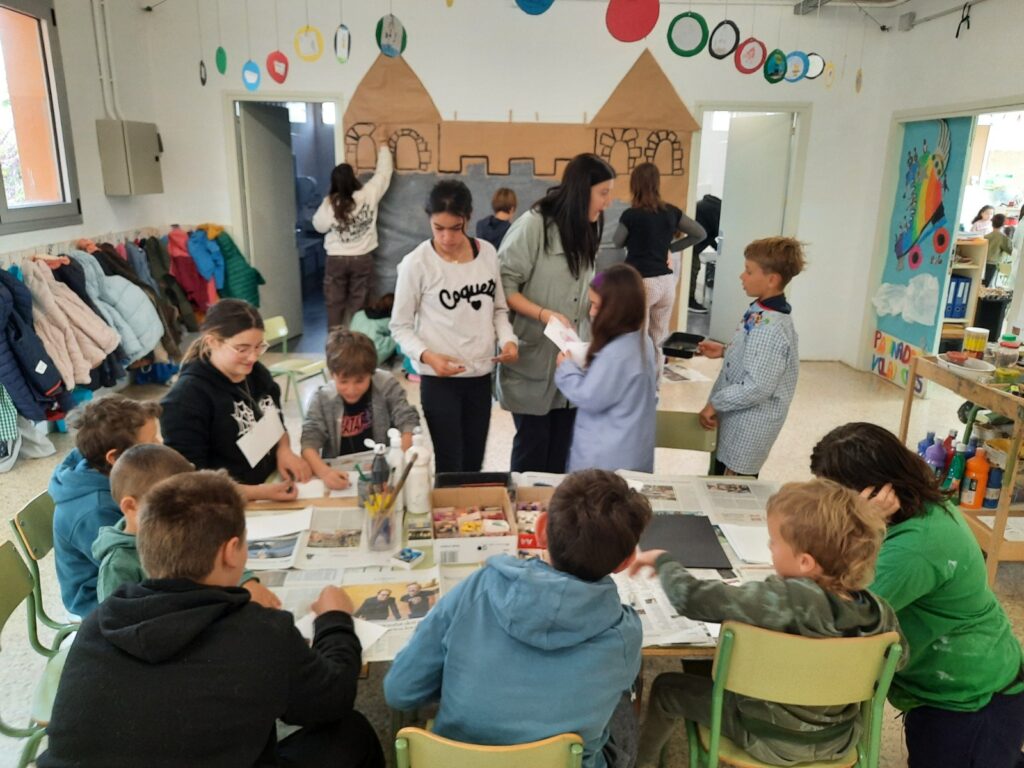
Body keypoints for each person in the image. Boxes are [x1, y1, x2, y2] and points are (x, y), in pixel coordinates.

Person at [38, 471, 385, 768]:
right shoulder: (260, 632)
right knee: (351, 732)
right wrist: (335, 619)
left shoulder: (98, 623)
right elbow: (332, 698)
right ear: (231, 552)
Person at [385, 469, 650, 768]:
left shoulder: (478, 589)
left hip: (456, 761)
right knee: (625, 711)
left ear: (540, 528)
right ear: (626, 562)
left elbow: (400, 691)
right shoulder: (625, 635)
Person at [632, 479, 901, 768]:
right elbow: (898, 662)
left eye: (774, 541)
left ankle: (641, 763)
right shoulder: (880, 612)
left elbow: (691, 599)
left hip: (764, 735)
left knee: (666, 688)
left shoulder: (784, 600)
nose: (770, 547)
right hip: (837, 740)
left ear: (805, 562)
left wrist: (664, 561)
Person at [810, 422, 1024, 768]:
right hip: (958, 687)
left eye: (836, 497)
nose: (827, 506)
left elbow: (837, 616)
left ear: (877, 492)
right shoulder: (919, 506)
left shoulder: (915, 548)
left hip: (969, 701)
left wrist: (859, 526)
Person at [497, 153, 615, 473]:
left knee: (563, 454)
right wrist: (544, 314)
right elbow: (504, 287)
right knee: (533, 451)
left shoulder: (588, 226)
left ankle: (556, 507)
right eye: (603, 193)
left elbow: (581, 284)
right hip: (535, 357)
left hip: (572, 357)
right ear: (581, 190)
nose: (608, 202)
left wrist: (598, 301)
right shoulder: (534, 226)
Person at [391, 180, 518, 474]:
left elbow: (499, 309)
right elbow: (400, 326)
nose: (447, 237)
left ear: (468, 219)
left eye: (455, 228)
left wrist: (508, 340)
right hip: (439, 380)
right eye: (438, 228)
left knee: (474, 462)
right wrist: (428, 356)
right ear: (429, 220)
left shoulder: (487, 253)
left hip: (479, 376)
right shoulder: (416, 263)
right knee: (450, 463)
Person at [93, 443, 280, 609]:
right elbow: (114, 621)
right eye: (167, 505)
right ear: (131, 507)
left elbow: (218, 551)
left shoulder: (181, 526)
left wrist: (246, 580)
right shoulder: (117, 566)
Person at [161, 299, 311, 502]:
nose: (253, 357)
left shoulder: (256, 373)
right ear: (212, 342)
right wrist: (259, 492)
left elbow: (277, 420)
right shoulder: (185, 399)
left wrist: (284, 450)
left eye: (259, 347)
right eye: (242, 349)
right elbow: (190, 481)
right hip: (226, 502)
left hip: (270, 482)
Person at [697, 237, 805, 477]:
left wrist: (716, 403)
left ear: (772, 279)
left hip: (749, 426)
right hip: (736, 418)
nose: (741, 276)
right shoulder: (762, 309)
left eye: (748, 271)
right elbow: (757, 355)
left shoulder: (771, 327)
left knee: (732, 485)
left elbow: (757, 387)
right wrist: (725, 350)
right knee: (719, 472)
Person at [49, 394, 162, 617]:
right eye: (150, 443)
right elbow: (129, 565)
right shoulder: (96, 510)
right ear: (114, 458)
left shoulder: (106, 469)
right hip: (101, 599)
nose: (160, 445)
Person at [554, 264, 657, 472]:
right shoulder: (642, 341)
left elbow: (588, 397)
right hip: (632, 450)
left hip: (606, 459)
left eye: (596, 305)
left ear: (615, 310)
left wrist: (566, 368)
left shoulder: (615, 354)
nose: (591, 312)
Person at [301, 329, 420, 490]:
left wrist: (398, 462)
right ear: (332, 374)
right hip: (341, 472)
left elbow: (407, 420)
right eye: (343, 381)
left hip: (382, 468)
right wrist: (325, 472)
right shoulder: (323, 397)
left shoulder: (385, 384)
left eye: (359, 381)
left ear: (371, 373)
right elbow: (309, 440)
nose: (351, 390)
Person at [614, 163, 706, 349]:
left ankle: (640, 370)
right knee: (659, 338)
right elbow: (700, 234)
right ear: (657, 184)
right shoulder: (672, 212)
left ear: (634, 185)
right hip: (666, 283)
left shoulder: (630, 215)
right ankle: (656, 370)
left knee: (637, 339)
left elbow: (617, 242)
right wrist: (669, 247)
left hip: (642, 282)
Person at [313, 146, 394, 329]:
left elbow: (319, 227)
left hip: (336, 259)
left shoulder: (330, 203)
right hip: (362, 258)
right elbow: (384, 173)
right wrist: (383, 147)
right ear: (353, 178)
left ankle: (335, 341)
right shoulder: (368, 194)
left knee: (334, 305)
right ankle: (357, 340)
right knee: (359, 304)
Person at [691, 194, 721, 313]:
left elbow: (710, 234)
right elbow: (718, 230)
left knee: (692, 268)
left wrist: (718, 248)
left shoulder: (707, 206)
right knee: (693, 268)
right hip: (691, 244)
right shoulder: (717, 210)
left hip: (689, 241)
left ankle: (688, 298)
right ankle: (689, 300)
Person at [349, 293, 398, 365]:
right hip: (372, 358)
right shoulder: (390, 321)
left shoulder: (359, 314)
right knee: (399, 336)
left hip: (351, 352)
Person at [984, 213, 1014, 287]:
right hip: (992, 263)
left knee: (982, 284)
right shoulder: (1003, 238)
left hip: (983, 262)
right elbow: (1010, 251)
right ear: (1004, 223)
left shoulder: (986, 236)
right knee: (986, 284)